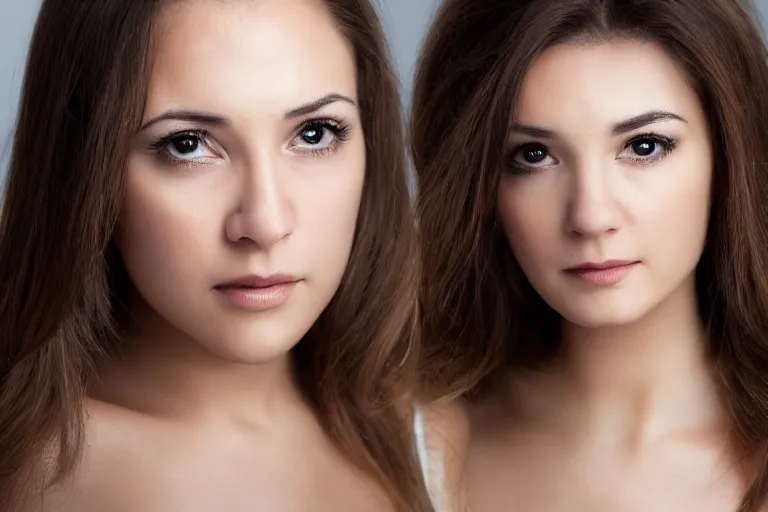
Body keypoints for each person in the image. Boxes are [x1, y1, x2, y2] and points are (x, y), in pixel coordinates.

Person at [0, 0, 431, 510]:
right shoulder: (45, 479)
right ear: (85, 165)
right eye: (187, 145)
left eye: (314, 133)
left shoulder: (431, 429)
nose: (266, 223)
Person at [411, 0, 768, 510]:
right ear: (482, 187)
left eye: (644, 146)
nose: (592, 215)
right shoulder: (416, 449)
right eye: (533, 156)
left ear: (727, 157)